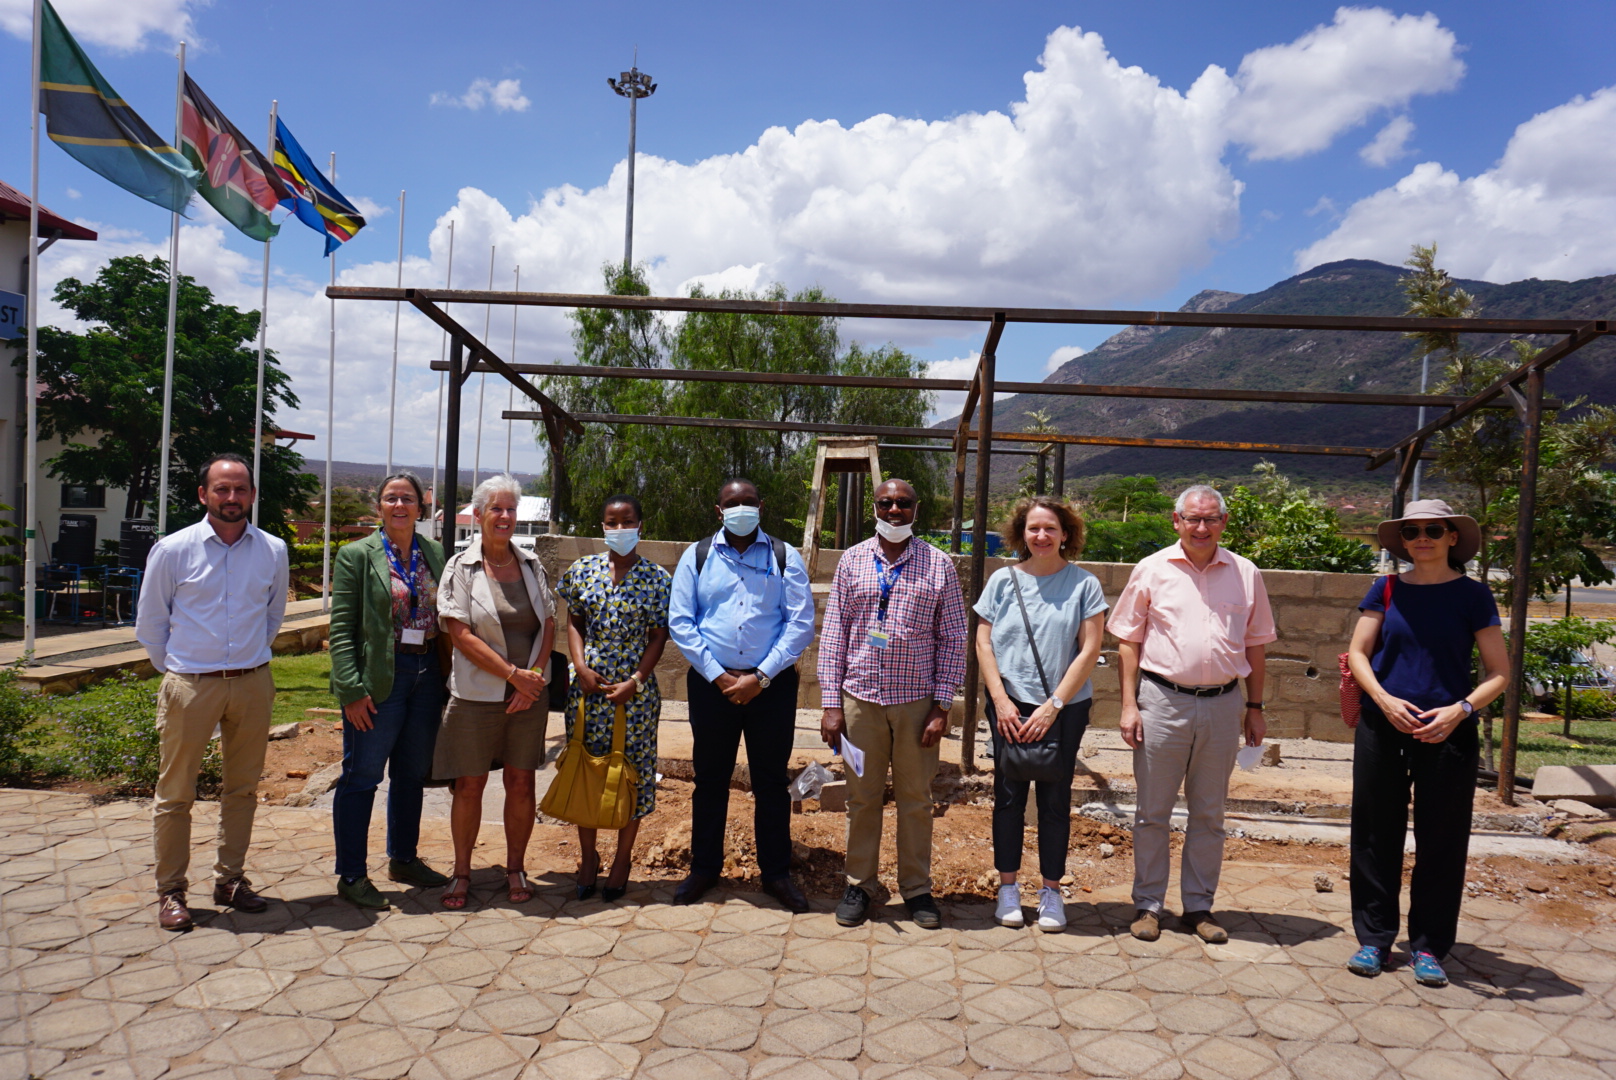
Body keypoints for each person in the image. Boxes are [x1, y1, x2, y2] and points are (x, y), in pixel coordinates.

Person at [1344, 500, 1507, 987]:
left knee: (1442, 838)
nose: (1422, 538)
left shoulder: (1474, 596)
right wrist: (1383, 699)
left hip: (1448, 731)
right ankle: (1374, 939)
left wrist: (1461, 711)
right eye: (1412, 530)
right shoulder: (1386, 589)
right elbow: (1358, 653)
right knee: (1375, 833)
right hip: (1383, 725)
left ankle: (1430, 946)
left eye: (1433, 530)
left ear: (1452, 537)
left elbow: (1499, 672)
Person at [1107, 484, 1275, 944]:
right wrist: (1129, 705)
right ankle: (1148, 906)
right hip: (1162, 702)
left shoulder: (1245, 573)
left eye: (1211, 519)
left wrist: (1255, 708)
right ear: (1176, 521)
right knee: (1152, 812)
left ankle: (1199, 907)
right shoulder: (1152, 569)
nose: (1202, 527)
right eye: (1193, 519)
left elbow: (1257, 645)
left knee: (1209, 813)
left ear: (1223, 523)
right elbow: (1127, 641)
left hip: (1223, 705)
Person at [136, 453, 289, 931]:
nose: (232, 497)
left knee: (242, 789)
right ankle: (171, 891)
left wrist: (244, 662)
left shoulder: (273, 551)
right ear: (203, 494)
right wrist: (184, 670)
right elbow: (151, 624)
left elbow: (272, 616)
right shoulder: (172, 550)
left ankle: (231, 879)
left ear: (252, 495)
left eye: (240, 489)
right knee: (175, 793)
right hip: (190, 686)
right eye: (222, 489)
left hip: (251, 682)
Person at [819, 479, 967, 929]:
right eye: (887, 503)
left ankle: (917, 890)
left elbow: (955, 638)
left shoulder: (939, 565)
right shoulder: (852, 560)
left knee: (916, 800)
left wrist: (942, 706)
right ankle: (860, 884)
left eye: (904, 503)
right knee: (861, 798)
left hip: (916, 705)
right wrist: (831, 704)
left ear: (916, 509)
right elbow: (834, 634)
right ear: (875, 508)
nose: (895, 510)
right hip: (860, 701)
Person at [668, 477, 817, 911]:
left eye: (748, 502)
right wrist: (718, 676)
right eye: (732, 503)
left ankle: (776, 874)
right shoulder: (696, 556)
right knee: (710, 780)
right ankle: (704, 870)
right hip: (711, 686)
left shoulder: (784, 556)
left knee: (771, 782)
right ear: (718, 511)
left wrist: (761, 676)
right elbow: (682, 621)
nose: (741, 509)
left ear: (761, 506)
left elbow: (800, 623)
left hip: (770, 687)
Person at [974, 497, 1108, 930]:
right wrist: (1000, 700)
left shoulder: (1084, 585)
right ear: (1021, 533)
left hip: (1063, 709)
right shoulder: (1002, 581)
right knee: (1008, 797)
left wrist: (1054, 706)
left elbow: (1090, 650)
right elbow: (984, 643)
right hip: (1009, 706)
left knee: (1055, 800)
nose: (1042, 536)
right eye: (1033, 528)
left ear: (1065, 534)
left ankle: (1051, 892)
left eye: (1051, 528)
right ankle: (1008, 888)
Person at [327, 472, 451, 908]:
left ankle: (403, 858)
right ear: (379, 505)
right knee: (361, 776)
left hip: (426, 674)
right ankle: (352, 874)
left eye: (408, 499)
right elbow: (341, 628)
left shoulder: (434, 552)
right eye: (391, 498)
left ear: (422, 506)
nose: (400, 505)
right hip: (380, 679)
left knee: (411, 774)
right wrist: (350, 689)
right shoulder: (356, 555)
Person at [433, 474, 555, 909]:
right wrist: (512, 675)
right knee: (469, 785)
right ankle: (462, 872)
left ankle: (516, 868)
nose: (504, 517)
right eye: (496, 509)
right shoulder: (459, 567)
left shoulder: (530, 565)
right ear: (479, 515)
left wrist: (533, 676)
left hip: (529, 697)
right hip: (475, 697)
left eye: (510, 509)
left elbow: (550, 624)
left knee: (521, 783)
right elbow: (460, 633)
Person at [555, 494, 673, 902]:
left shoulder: (658, 579)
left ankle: (622, 858)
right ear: (601, 525)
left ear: (641, 526)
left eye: (627, 522)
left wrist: (636, 680)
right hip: (587, 694)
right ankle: (588, 858)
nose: (619, 529)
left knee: (631, 774)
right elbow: (573, 621)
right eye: (611, 522)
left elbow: (659, 636)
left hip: (635, 697)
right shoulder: (581, 570)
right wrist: (580, 668)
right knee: (586, 769)